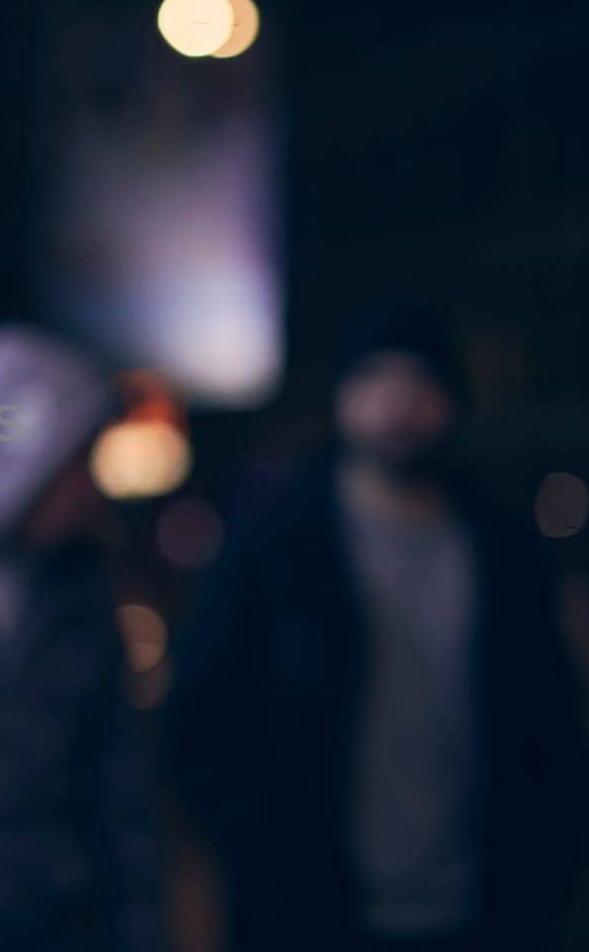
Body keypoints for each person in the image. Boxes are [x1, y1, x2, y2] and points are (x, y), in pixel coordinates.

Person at [166, 312, 587, 952]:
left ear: (452, 401)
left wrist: (543, 870)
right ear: (341, 398)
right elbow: (201, 719)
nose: (397, 403)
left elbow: (546, 721)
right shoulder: (276, 546)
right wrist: (263, 847)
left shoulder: (501, 549)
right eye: (374, 380)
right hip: (310, 910)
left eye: (420, 382)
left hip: (482, 906)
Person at [0, 325, 163, 952]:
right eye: (79, 464)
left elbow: (118, 790)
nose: (93, 491)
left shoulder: (80, 590)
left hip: (59, 921)